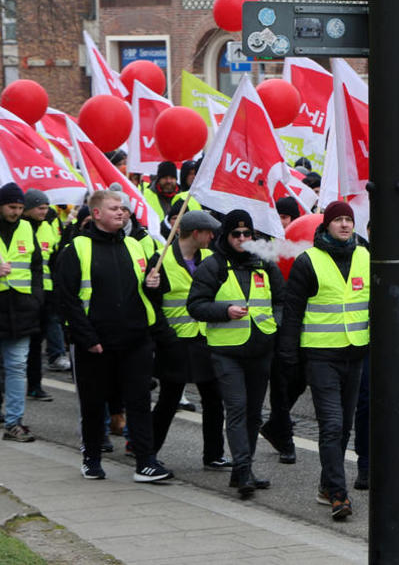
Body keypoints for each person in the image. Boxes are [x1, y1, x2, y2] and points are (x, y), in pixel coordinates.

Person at [56, 189, 172, 481]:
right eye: (114, 208)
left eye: (123, 208)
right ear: (96, 214)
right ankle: (92, 458)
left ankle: (146, 462)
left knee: (139, 403)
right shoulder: (77, 248)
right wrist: (86, 338)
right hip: (96, 343)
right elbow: (66, 299)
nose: (122, 212)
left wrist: (155, 283)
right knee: (94, 405)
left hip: (136, 340)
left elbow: (159, 291)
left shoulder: (137, 246)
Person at [279, 201, 369, 520]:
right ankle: (338, 495)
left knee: (343, 426)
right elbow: (293, 313)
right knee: (331, 425)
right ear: (326, 225)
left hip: (355, 353)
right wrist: (289, 355)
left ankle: (326, 485)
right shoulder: (308, 261)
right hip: (320, 355)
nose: (344, 225)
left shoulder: (365, 255)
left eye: (349, 219)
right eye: (338, 220)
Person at [187, 210, 284, 498]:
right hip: (226, 351)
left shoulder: (264, 263)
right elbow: (195, 305)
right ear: (225, 236)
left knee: (254, 413)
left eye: (247, 233)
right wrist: (224, 311)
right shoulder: (213, 265)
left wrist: (274, 325)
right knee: (238, 410)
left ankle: (244, 469)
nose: (242, 239)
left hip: (260, 350)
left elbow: (281, 299)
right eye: (236, 234)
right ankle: (243, 470)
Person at [146, 210, 228, 470]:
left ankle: (213, 455)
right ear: (196, 233)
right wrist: (166, 337)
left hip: (205, 338)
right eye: (208, 232)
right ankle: (147, 452)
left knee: (214, 398)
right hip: (176, 341)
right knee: (169, 400)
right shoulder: (160, 261)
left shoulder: (211, 259)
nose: (212, 237)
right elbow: (152, 305)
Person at [0, 183, 42, 441]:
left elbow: (36, 266)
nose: (16, 212)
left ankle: (14, 422)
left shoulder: (27, 228)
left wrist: (36, 298)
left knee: (16, 367)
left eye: (19, 207)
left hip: (21, 310)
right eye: (11, 207)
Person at [21, 188, 61, 400]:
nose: (44, 211)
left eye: (46, 207)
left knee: (36, 343)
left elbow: (54, 258)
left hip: (45, 294)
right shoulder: (18, 227)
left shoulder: (50, 226)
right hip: (19, 293)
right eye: (40, 207)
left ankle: (35, 386)